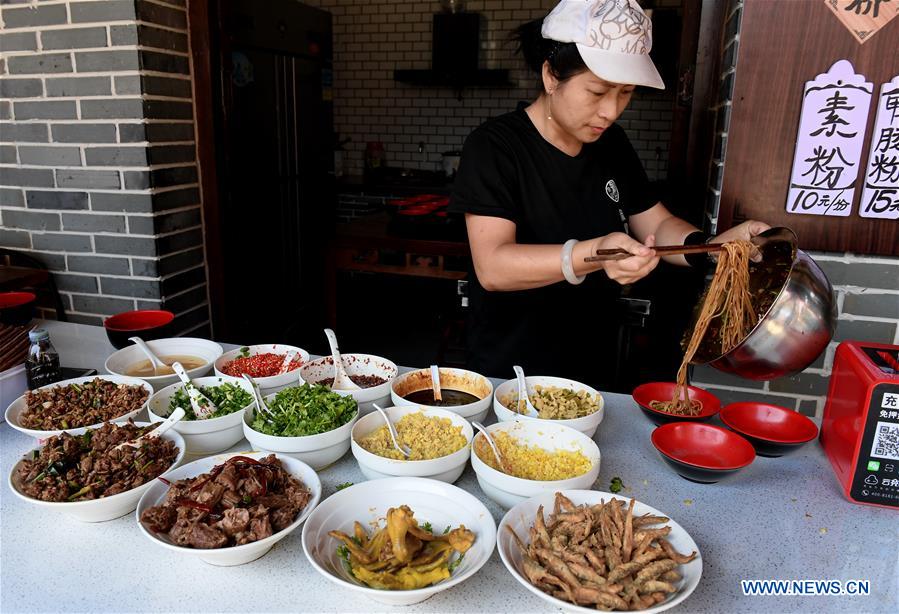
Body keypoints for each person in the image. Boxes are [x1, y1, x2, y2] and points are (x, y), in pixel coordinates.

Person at [448, 0, 769, 388]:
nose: (611, 111)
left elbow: (659, 222)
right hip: (511, 370)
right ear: (551, 76)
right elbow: (494, 267)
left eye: (625, 93)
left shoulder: (611, 144)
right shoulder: (495, 146)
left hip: (594, 362)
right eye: (597, 92)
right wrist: (596, 253)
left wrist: (715, 248)